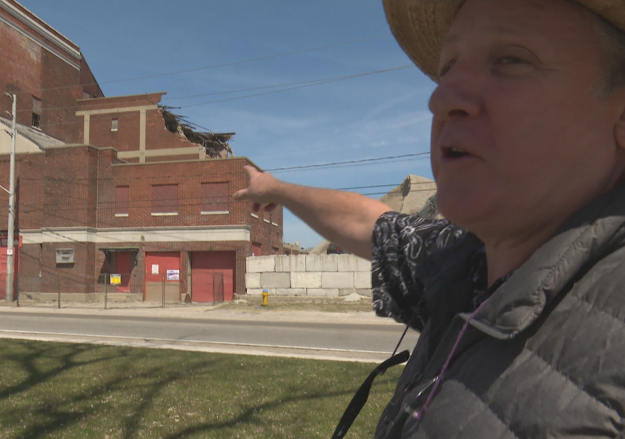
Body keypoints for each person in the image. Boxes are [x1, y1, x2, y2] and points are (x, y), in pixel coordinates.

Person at [233, 0, 625, 437]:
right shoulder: (459, 263)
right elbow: (370, 223)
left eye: (512, 59)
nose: (441, 98)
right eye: (449, 68)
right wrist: (274, 189)